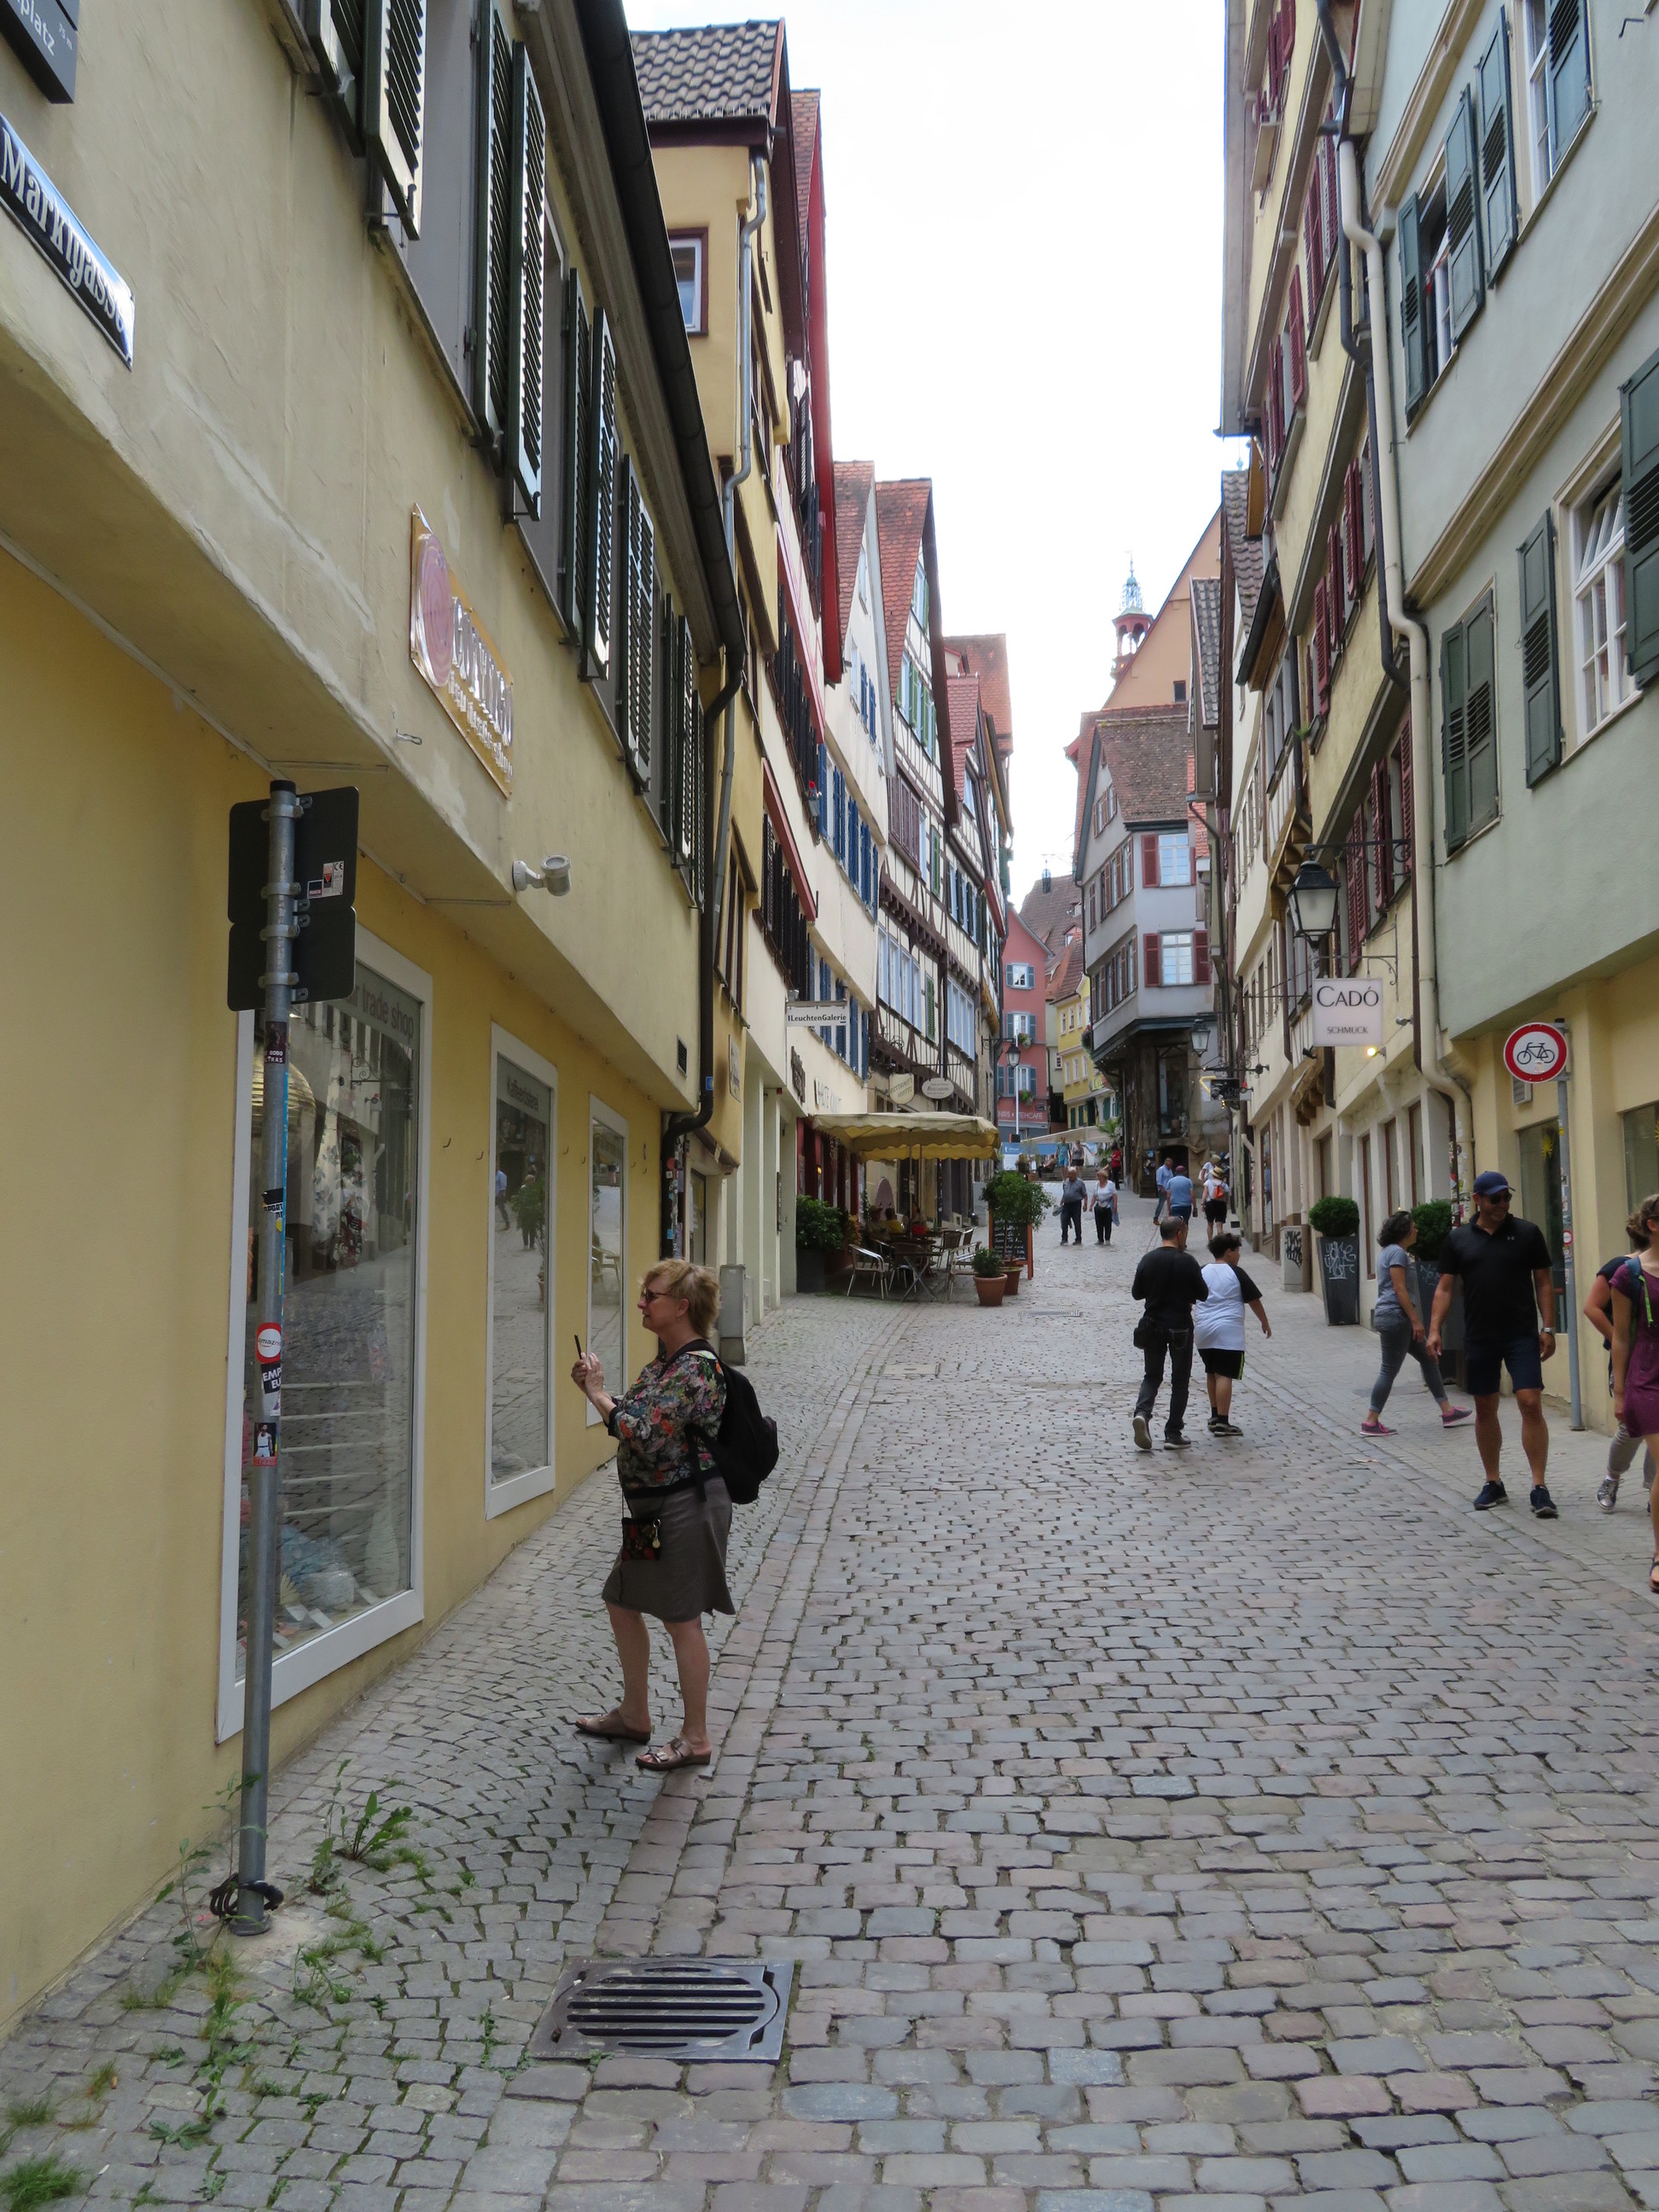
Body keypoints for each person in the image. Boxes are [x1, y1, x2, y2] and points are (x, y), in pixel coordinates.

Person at [571, 1260, 731, 1772]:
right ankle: (635, 1714)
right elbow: (641, 1417)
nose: (641, 1302)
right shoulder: (665, 1364)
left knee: (682, 1619)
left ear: (681, 1307)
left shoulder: (695, 1369)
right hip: (652, 1509)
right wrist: (598, 1394)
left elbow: (644, 1433)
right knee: (622, 1599)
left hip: (684, 1506)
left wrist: (599, 1395)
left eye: (651, 1296)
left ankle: (696, 1738)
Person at [1428, 1170, 1558, 1517]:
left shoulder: (1527, 1233)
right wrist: (1435, 1329)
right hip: (1480, 1335)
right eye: (1495, 1198)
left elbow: (1543, 1282)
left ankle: (1539, 1486)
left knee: (1530, 1402)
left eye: (1507, 1198)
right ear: (1478, 1200)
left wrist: (1548, 1327)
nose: (1503, 1204)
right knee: (1485, 1408)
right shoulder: (1459, 1239)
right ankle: (1493, 1481)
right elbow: (1444, 1288)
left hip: (1521, 1334)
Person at [1363, 1210, 1474, 1435]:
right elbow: (1399, 1289)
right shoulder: (1397, 1253)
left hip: (1393, 1316)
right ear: (1404, 1231)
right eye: (1413, 1226)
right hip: (1397, 1317)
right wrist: (1416, 1321)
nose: (1417, 1230)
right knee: (1389, 1369)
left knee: (1428, 1358)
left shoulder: (1389, 1252)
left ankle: (1447, 1411)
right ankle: (1370, 1421)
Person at [1588, 1225, 1657, 1510]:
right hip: (1632, 1364)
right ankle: (1612, 1477)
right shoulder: (1623, 1268)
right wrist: (1621, 1337)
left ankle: (1654, 1490)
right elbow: (1592, 1307)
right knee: (1631, 1430)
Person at [1610, 1196, 1659, 1592]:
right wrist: (1619, 1392)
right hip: (1648, 1378)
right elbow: (1621, 1336)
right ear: (1652, 1225)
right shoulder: (1629, 1275)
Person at [1132, 1214, 1209, 1452]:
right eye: (1185, 1233)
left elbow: (1136, 1293)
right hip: (1180, 1326)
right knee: (1180, 1381)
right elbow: (1203, 1294)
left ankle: (1142, 1413)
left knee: (1152, 1376)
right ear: (1179, 1233)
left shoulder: (1148, 1259)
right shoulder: (1187, 1261)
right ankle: (1173, 1433)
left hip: (1153, 1325)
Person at [1196, 1231, 1270, 1436]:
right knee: (1224, 1374)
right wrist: (1264, 1322)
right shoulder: (1236, 1273)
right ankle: (1223, 1421)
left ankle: (1214, 1415)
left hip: (1203, 1331)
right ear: (1228, 1251)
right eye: (1237, 1251)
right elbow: (1254, 1300)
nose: (1239, 1255)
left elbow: (1190, 1297)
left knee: (1211, 1371)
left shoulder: (1201, 1271)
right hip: (1228, 1332)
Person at [1059, 1163, 1086, 1245]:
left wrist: (1085, 1204)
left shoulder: (1080, 1183)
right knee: (1064, 1221)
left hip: (1076, 1204)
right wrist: (1062, 1201)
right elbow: (1065, 1193)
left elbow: (1085, 1194)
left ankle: (1078, 1239)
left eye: (1071, 1174)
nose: (1070, 1176)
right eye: (1069, 1174)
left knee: (1077, 1222)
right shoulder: (1066, 1182)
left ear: (1075, 1174)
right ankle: (1064, 1239)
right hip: (1067, 1204)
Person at [1092, 1166, 1118, 1244]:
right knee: (1099, 1223)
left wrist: (1115, 1205)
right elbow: (1094, 1196)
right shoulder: (1096, 1185)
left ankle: (1107, 1239)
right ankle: (1100, 1239)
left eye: (1100, 1177)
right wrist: (1091, 1205)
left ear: (1105, 1177)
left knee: (1107, 1223)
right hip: (1099, 1206)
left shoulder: (1110, 1184)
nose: (1099, 1178)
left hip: (1108, 1206)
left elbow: (1114, 1195)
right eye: (1098, 1177)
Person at [1202, 1161, 1231, 1231]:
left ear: (1213, 1175)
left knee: (1210, 1224)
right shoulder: (1224, 1185)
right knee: (1219, 1226)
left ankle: (1210, 1238)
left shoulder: (1208, 1182)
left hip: (1210, 1203)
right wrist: (1226, 1206)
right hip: (1221, 1204)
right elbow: (1226, 1198)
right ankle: (1220, 1237)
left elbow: (1205, 1193)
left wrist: (1203, 1204)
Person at [1167, 1162, 1195, 1227]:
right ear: (1184, 1172)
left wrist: (1169, 1209)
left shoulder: (1170, 1181)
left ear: (1176, 1173)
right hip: (1186, 1206)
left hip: (1175, 1206)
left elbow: (1168, 1197)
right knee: (1185, 1223)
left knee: (1176, 1224)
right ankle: (1185, 1232)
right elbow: (1192, 1195)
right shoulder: (1188, 1181)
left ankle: (1178, 1233)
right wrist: (1195, 1207)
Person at [1153, 1154, 1173, 1223]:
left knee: (1171, 1203)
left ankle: (1171, 1217)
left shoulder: (1170, 1170)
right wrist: (1161, 1188)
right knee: (1161, 1204)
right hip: (1163, 1189)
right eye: (1170, 1164)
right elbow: (1159, 1180)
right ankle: (1156, 1218)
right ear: (1166, 1164)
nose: (1171, 1166)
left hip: (1169, 1190)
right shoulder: (1161, 1169)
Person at [495, 1165, 510, 1230]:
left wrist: (500, 1194)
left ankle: (507, 1223)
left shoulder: (501, 1175)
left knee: (502, 1209)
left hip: (500, 1195)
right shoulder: (493, 1174)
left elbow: (503, 1186)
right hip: (493, 1195)